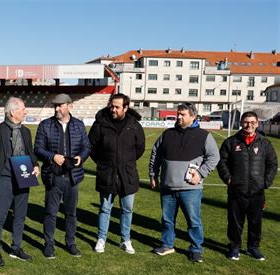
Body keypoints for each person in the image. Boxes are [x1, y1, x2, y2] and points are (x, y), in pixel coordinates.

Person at [149, 102, 219, 263]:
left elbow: (214, 157)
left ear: (193, 116)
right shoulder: (167, 134)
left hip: (190, 188)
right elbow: (155, 154)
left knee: (193, 221)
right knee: (167, 219)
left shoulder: (204, 135)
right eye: (178, 114)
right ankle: (167, 245)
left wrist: (200, 173)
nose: (179, 117)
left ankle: (195, 248)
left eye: (183, 114)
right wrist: (153, 175)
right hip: (168, 186)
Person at [0, 97, 39, 267]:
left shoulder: (26, 132)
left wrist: (36, 165)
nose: (26, 111)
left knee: (20, 215)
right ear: (12, 112)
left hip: (24, 177)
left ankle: (15, 248)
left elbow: (30, 153)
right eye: (23, 109)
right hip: (5, 178)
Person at [34, 93, 91, 258]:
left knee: (71, 213)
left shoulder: (79, 125)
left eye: (60, 105)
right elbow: (37, 148)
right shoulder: (45, 125)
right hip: (53, 176)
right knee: (51, 213)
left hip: (73, 177)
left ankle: (70, 243)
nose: (57, 109)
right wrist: (53, 156)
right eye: (55, 106)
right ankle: (49, 244)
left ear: (69, 106)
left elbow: (87, 147)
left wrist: (81, 156)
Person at [88, 94, 145, 254]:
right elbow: (91, 147)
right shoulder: (100, 124)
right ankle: (101, 238)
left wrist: (126, 163)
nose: (113, 109)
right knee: (105, 209)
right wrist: (104, 163)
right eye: (111, 106)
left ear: (125, 108)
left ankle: (125, 239)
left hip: (128, 175)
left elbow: (139, 149)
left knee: (127, 210)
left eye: (117, 107)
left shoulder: (134, 126)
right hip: (107, 174)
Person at [217, 111, 277, 261]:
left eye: (252, 122)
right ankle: (234, 247)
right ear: (241, 123)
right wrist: (228, 179)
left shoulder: (264, 143)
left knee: (255, 222)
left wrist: (265, 182)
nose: (249, 125)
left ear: (257, 123)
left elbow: (272, 164)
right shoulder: (231, 142)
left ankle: (253, 248)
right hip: (236, 191)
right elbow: (221, 162)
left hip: (257, 192)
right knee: (235, 222)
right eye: (246, 122)